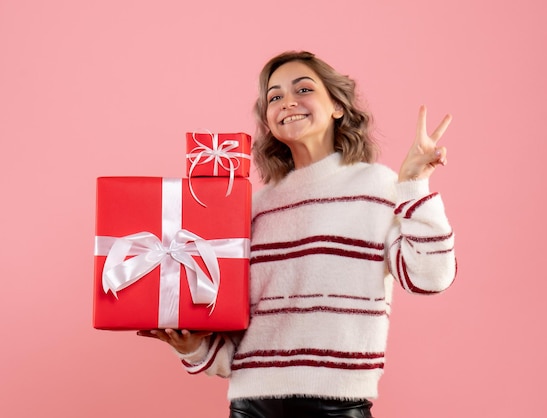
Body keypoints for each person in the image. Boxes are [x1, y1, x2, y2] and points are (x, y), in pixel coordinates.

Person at [138, 50, 456, 418]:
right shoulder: (254, 209)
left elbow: (430, 278)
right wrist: (193, 347)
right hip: (251, 408)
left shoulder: (377, 186)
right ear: (268, 120)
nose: (288, 102)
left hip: (336, 408)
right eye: (274, 97)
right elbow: (236, 352)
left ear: (337, 105)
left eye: (303, 89)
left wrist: (415, 183)